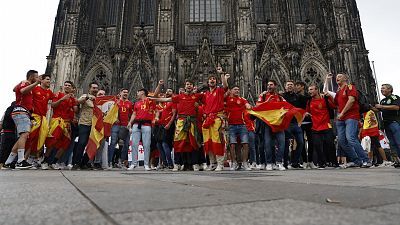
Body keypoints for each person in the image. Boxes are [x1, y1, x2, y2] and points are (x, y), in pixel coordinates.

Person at [152, 80, 203, 171]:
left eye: (190, 84)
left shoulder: (197, 96)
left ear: (193, 87)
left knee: (194, 142)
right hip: (181, 121)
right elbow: (166, 99)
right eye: (187, 84)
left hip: (192, 121)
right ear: (185, 86)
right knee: (178, 142)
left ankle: (195, 163)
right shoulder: (179, 96)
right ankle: (177, 163)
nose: (189, 86)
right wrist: (152, 99)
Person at [331, 73, 371, 168]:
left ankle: (366, 160)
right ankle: (356, 161)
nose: (337, 78)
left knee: (351, 138)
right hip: (341, 119)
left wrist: (342, 113)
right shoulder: (338, 92)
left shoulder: (350, 87)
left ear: (345, 78)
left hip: (351, 116)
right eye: (336, 77)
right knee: (342, 141)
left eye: (340, 77)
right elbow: (335, 105)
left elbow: (351, 100)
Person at [4, 70, 40, 169]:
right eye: (36, 77)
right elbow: (22, 91)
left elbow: (14, 89)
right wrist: (35, 83)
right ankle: (20, 160)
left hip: (24, 113)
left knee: (22, 137)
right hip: (21, 111)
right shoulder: (26, 83)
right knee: (24, 135)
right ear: (31, 77)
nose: (38, 79)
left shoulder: (25, 83)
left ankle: (8, 161)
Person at [43, 81, 77, 169]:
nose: (67, 87)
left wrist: (74, 100)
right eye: (66, 85)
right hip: (57, 121)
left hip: (67, 123)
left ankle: (54, 162)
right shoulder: (58, 94)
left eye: (69, 86)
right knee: (53, 141)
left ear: (72, 88)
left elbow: (75, 110)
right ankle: (45, 161)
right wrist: (62, 99)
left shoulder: (72, 98)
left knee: (65, 143)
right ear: (63, 87)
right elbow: (53, 105)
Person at [201, 67, 230, 171]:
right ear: (208, 82)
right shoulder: (205, 94)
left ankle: (220, 163)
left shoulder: (219, 90)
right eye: (210, 79)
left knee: (217, 140)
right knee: (208, 142)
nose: (212, 80)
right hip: (208, 120)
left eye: (214, 79)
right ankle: (212, 163)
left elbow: (226, 86)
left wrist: (222, 74)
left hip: (217, 118)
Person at [256, 80, 286, 171]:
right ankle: (269, 163)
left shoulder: (280, 97)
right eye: (268, 85)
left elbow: (287, 106)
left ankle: (279, 162)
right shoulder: (263, 96)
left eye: (271, 85)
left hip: (278, 124)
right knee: (267, 143)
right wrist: (267, 101)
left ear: (275, 86)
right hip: (267, 124)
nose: (269, 86)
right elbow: (257, 106)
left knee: (282, 143)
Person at [127, 88, 158, 171]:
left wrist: (159, 85)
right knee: (134, 144)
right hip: (136, 124)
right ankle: (133, 164)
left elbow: (155, 97)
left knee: (147, 145)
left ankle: (146, 164)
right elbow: (134, 114)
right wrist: (130, 122)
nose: (137, 94)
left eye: (138, 92)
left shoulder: (150, 101)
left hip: (147, 124)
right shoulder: (137, 103)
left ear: (142, 93)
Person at [306, 85, 336, 169]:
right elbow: (307, 111)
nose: (310, 91)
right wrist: (307, 114)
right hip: (315, 126)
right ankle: (321, 163)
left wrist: (329, 96)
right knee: (317, 145)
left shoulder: (325, 99)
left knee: (330, 144)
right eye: (309, 90)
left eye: (311, 89)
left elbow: (334, 106)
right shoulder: (309, 101)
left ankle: (334, 162)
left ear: (317, 90)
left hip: (326, 125)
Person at [26, 74, 54, 164]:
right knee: (31, 137)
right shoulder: (35, 89)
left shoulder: (49, 92)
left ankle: (35, 157)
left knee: (41, 138)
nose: (49, 81)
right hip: (35, 116)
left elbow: (56, 100)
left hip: (44, 118)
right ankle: (26, 158)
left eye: (49, 80)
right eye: (47, 79)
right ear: (41, 80)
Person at [72, 82, 99, 169]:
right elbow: (77, 102)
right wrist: (88, 97)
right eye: (93, 88)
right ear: (89, 89)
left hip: (95, 125)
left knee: (93, 145)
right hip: (84, 123)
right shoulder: (85, 96)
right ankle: (76, 163)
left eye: (96, 88)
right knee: (82, 143)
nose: (95, 90)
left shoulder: (99, 100)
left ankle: (84, 163)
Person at [225, 85, 252, 170]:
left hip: (242, 125)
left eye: (238, 89)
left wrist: (248, 106)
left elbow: (248, 105)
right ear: (231, 91)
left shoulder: (242, 99)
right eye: (235, 89)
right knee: (232, 144)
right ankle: (234, 162)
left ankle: (244, 162)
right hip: (231, 125)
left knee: (245, 143)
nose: (237, 91)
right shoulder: (228, 99)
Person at [373, 84, 400, 167]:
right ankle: (398, 160)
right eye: (381, 88)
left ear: (389, 89)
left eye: (383, 88)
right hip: (386, 124)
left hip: (394, 122)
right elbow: (378, 110)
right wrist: (369, 107)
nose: (381, 90)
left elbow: (396, 107)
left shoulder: (394, 97)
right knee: (392, 143)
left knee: (398, 141)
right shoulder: (383, 100)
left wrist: (382, 106)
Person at [108, 88, 133, 168]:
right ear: (120, 93)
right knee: (113, 143)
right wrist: (114, 118)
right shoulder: (116, 102)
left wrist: (130, 123)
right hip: (116, 125)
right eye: (124, 92)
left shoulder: (130, 103)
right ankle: (109, 161)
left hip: (126, 126)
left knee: (126, 144)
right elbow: (110, 112)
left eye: (127, 92)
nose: (125, 93)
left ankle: (121, 162)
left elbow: (132, 114)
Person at [282, 81, 305, 169]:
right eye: (288, 85)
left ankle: (295, 162)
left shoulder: (298, 97)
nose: (290, 86)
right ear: (285, 86)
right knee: (286, 143)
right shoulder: (282, 97)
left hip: (296, 123)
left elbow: (302, 110)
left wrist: (300, 121)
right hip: (286, 123)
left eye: (291, 85)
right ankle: (285, 162)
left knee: (301, 142)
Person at [0, 102, 17, 169]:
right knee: (10, 149)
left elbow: (1, 124)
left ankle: (2, 164)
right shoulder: (17, 112)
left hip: (6, 132)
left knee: (4, 149)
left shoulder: (7, 112)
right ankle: (6, 163)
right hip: (13, 133)